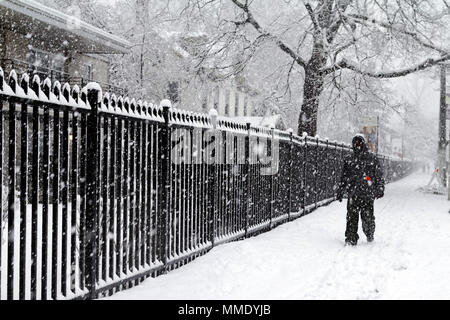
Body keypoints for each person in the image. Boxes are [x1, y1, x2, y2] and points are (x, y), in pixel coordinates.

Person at [336, 134, 385, 246]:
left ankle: (369, 233)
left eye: (359, 143)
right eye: (356, 144)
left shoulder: (371, 159)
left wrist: (379, 188)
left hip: (367, 194)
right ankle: (351, 238)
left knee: (367, 218)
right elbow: (344, 177)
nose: (357, 146)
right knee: (351, 218)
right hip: (354, 194)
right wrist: (341, 190)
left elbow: (378, 176)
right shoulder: (349, 160)